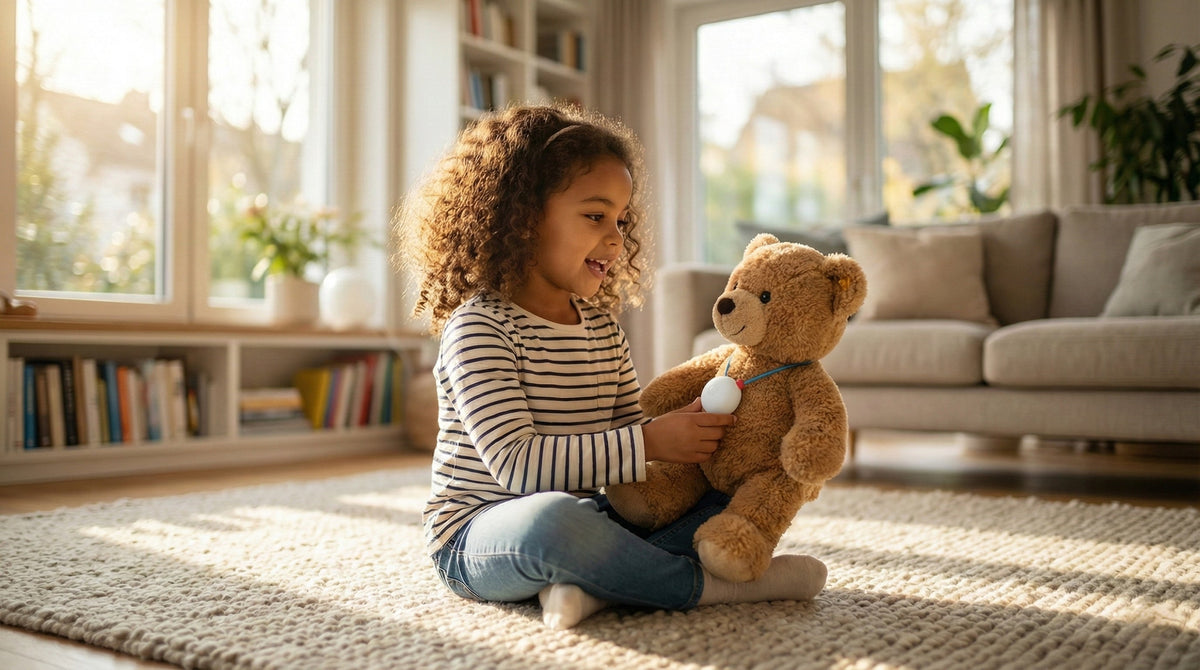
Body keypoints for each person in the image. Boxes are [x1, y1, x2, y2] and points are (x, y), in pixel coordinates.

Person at [396, 103, 827, 630]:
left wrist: (690, 442)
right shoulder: (479, 327)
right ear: (522, 219)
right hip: (480, 534)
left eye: (621, 220)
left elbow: (628, 444)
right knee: (554, 522)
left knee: (724, 492)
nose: (617, 237)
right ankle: (708, 587)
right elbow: (517, 467)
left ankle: (594, 585)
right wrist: (650, 441)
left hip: (590, 519)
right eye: (595, 216)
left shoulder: (602, 330)